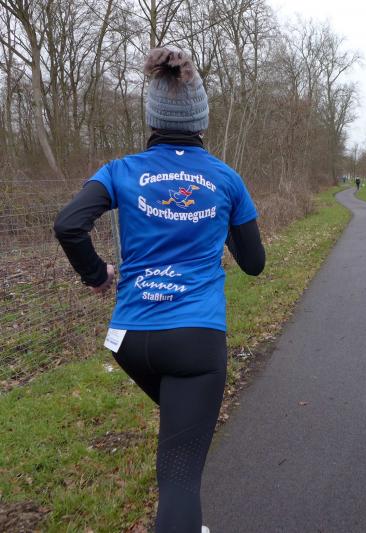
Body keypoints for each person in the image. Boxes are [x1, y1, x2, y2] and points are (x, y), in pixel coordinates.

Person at [53, 47, 265, 533]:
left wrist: (97, 275)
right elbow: (254, 265)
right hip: (194, 343)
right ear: (202, 121)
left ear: (151, 118)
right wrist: (221, 225)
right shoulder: (226, 179)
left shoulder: (120, 170)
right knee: (180, 478)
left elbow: (68, 224)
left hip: (131, 340)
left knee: (182, 440)